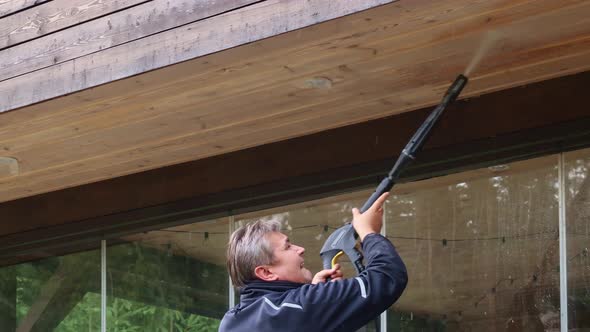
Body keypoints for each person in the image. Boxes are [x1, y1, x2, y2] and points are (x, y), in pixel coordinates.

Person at [219, 192, 407, 332]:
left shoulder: (231, 321)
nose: (300, 249)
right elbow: (386, 276)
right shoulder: (302, 306)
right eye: (288, 247)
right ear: (266, 273)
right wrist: (368, 233)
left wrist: (314, 295)